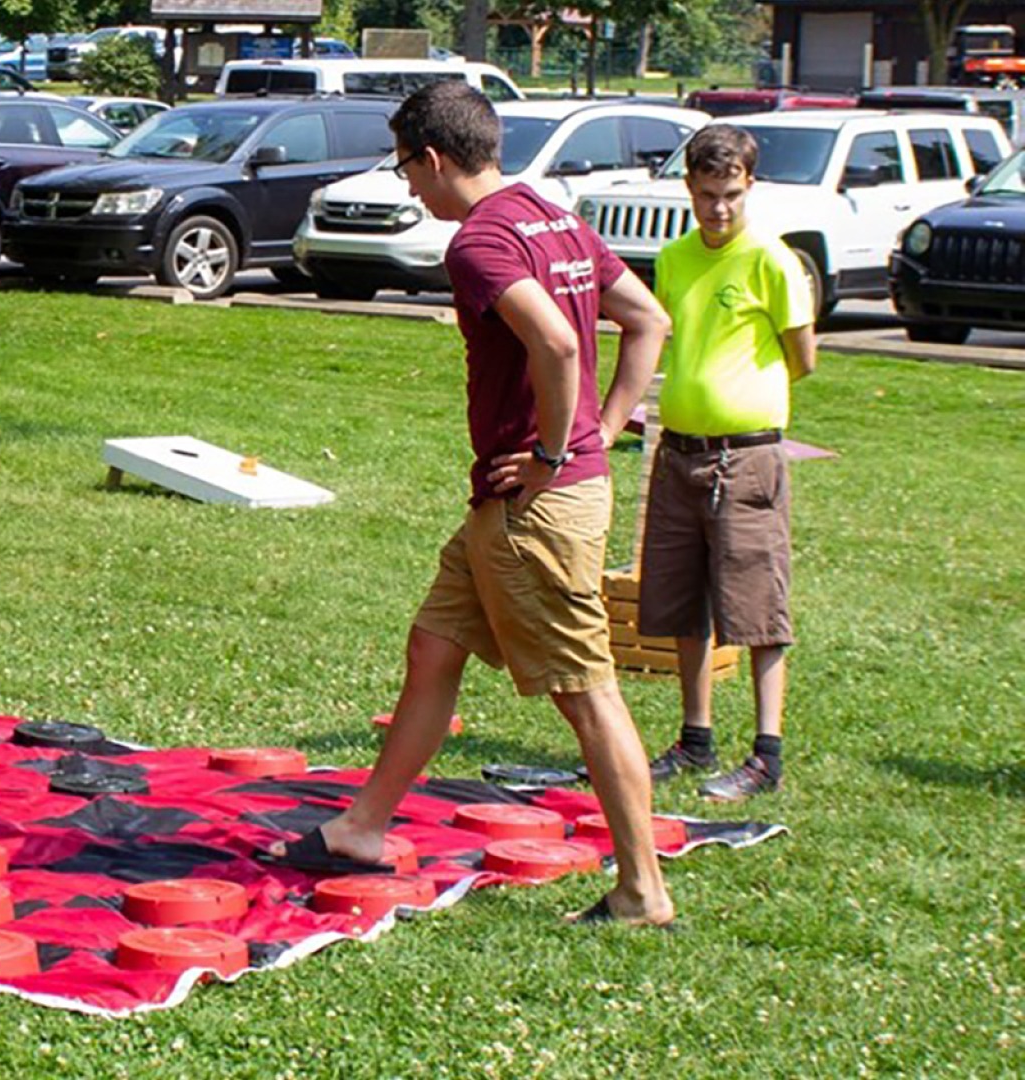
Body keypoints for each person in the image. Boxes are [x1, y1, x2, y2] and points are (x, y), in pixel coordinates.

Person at [269, 82, 676, 928]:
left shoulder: (481, 241)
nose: (410, 188)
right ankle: (360, 828)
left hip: (536, 507)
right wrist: (601, 427)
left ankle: (642, 890)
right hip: (521, 505)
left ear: (436, 158)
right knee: (435, 644)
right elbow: (646, 319)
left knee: (587, 691)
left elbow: (559, 340)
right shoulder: (548, 214)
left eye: (408, 170)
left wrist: (557, 451)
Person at [637, 124, 816, 802]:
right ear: (689, 188)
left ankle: (765, 754)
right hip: (677, 452)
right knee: (681, 602)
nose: (719, 209)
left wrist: (741, 404)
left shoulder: (771, 260)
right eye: (708, 195)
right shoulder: (676, 259)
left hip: (747, 458)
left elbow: (804, 357)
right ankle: (695, 737)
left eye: (732, 195)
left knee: (756, 604)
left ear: (751, 188)